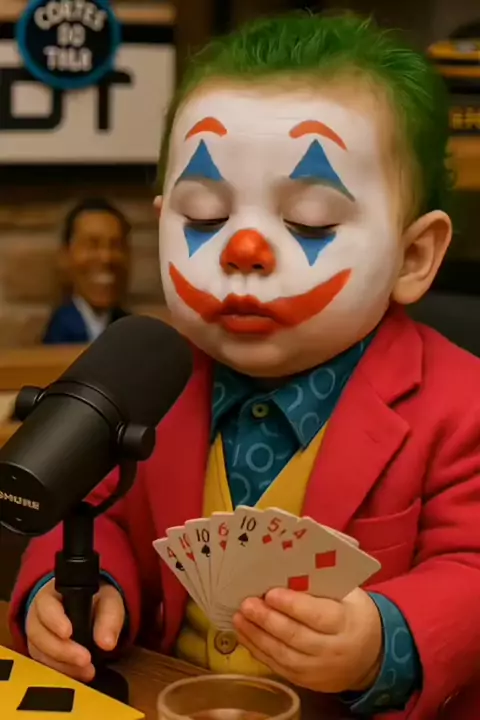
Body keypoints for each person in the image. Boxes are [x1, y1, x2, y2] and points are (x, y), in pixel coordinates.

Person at [10, 12, 480, 719]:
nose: (244, 252)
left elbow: (472, 568)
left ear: (413, 257)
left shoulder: (463, 405)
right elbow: (94, 510)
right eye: (204, 217)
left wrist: (384, 639)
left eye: (311, 221)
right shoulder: (147, 381)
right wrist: (72, 587)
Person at [42, 198, 130, 344]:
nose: (106, 257)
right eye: (92, 245)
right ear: (66, 255)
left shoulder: (130, 331)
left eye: (115, 245)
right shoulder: (58, 334)